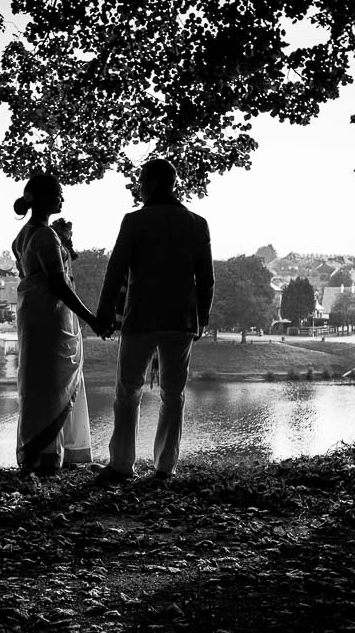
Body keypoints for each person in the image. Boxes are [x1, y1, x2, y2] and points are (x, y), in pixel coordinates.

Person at [93, 158, 214, 483]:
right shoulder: (197, 223)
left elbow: (115, 269)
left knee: (128, 392)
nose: (139, 187)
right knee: (173, 394)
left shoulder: (134, 221)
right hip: (181, 319)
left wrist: (105, 313)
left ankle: (121, 463)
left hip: (141, 316)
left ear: (154, 184)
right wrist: (202, 317)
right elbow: (206, 279)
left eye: (142, 181)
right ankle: (164, 467)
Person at [11, 174, 104, 476]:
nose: (63, 199)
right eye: (59, 193)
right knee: (52, 385)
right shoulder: (44, 236)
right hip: (51, 320)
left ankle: (41, 453)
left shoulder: (23, 235)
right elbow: (59, 286)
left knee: (39, 383)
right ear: (45, 198)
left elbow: (34, 273)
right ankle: (47, 456)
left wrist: (64, 243)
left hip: (32, 317)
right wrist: (91, 319)